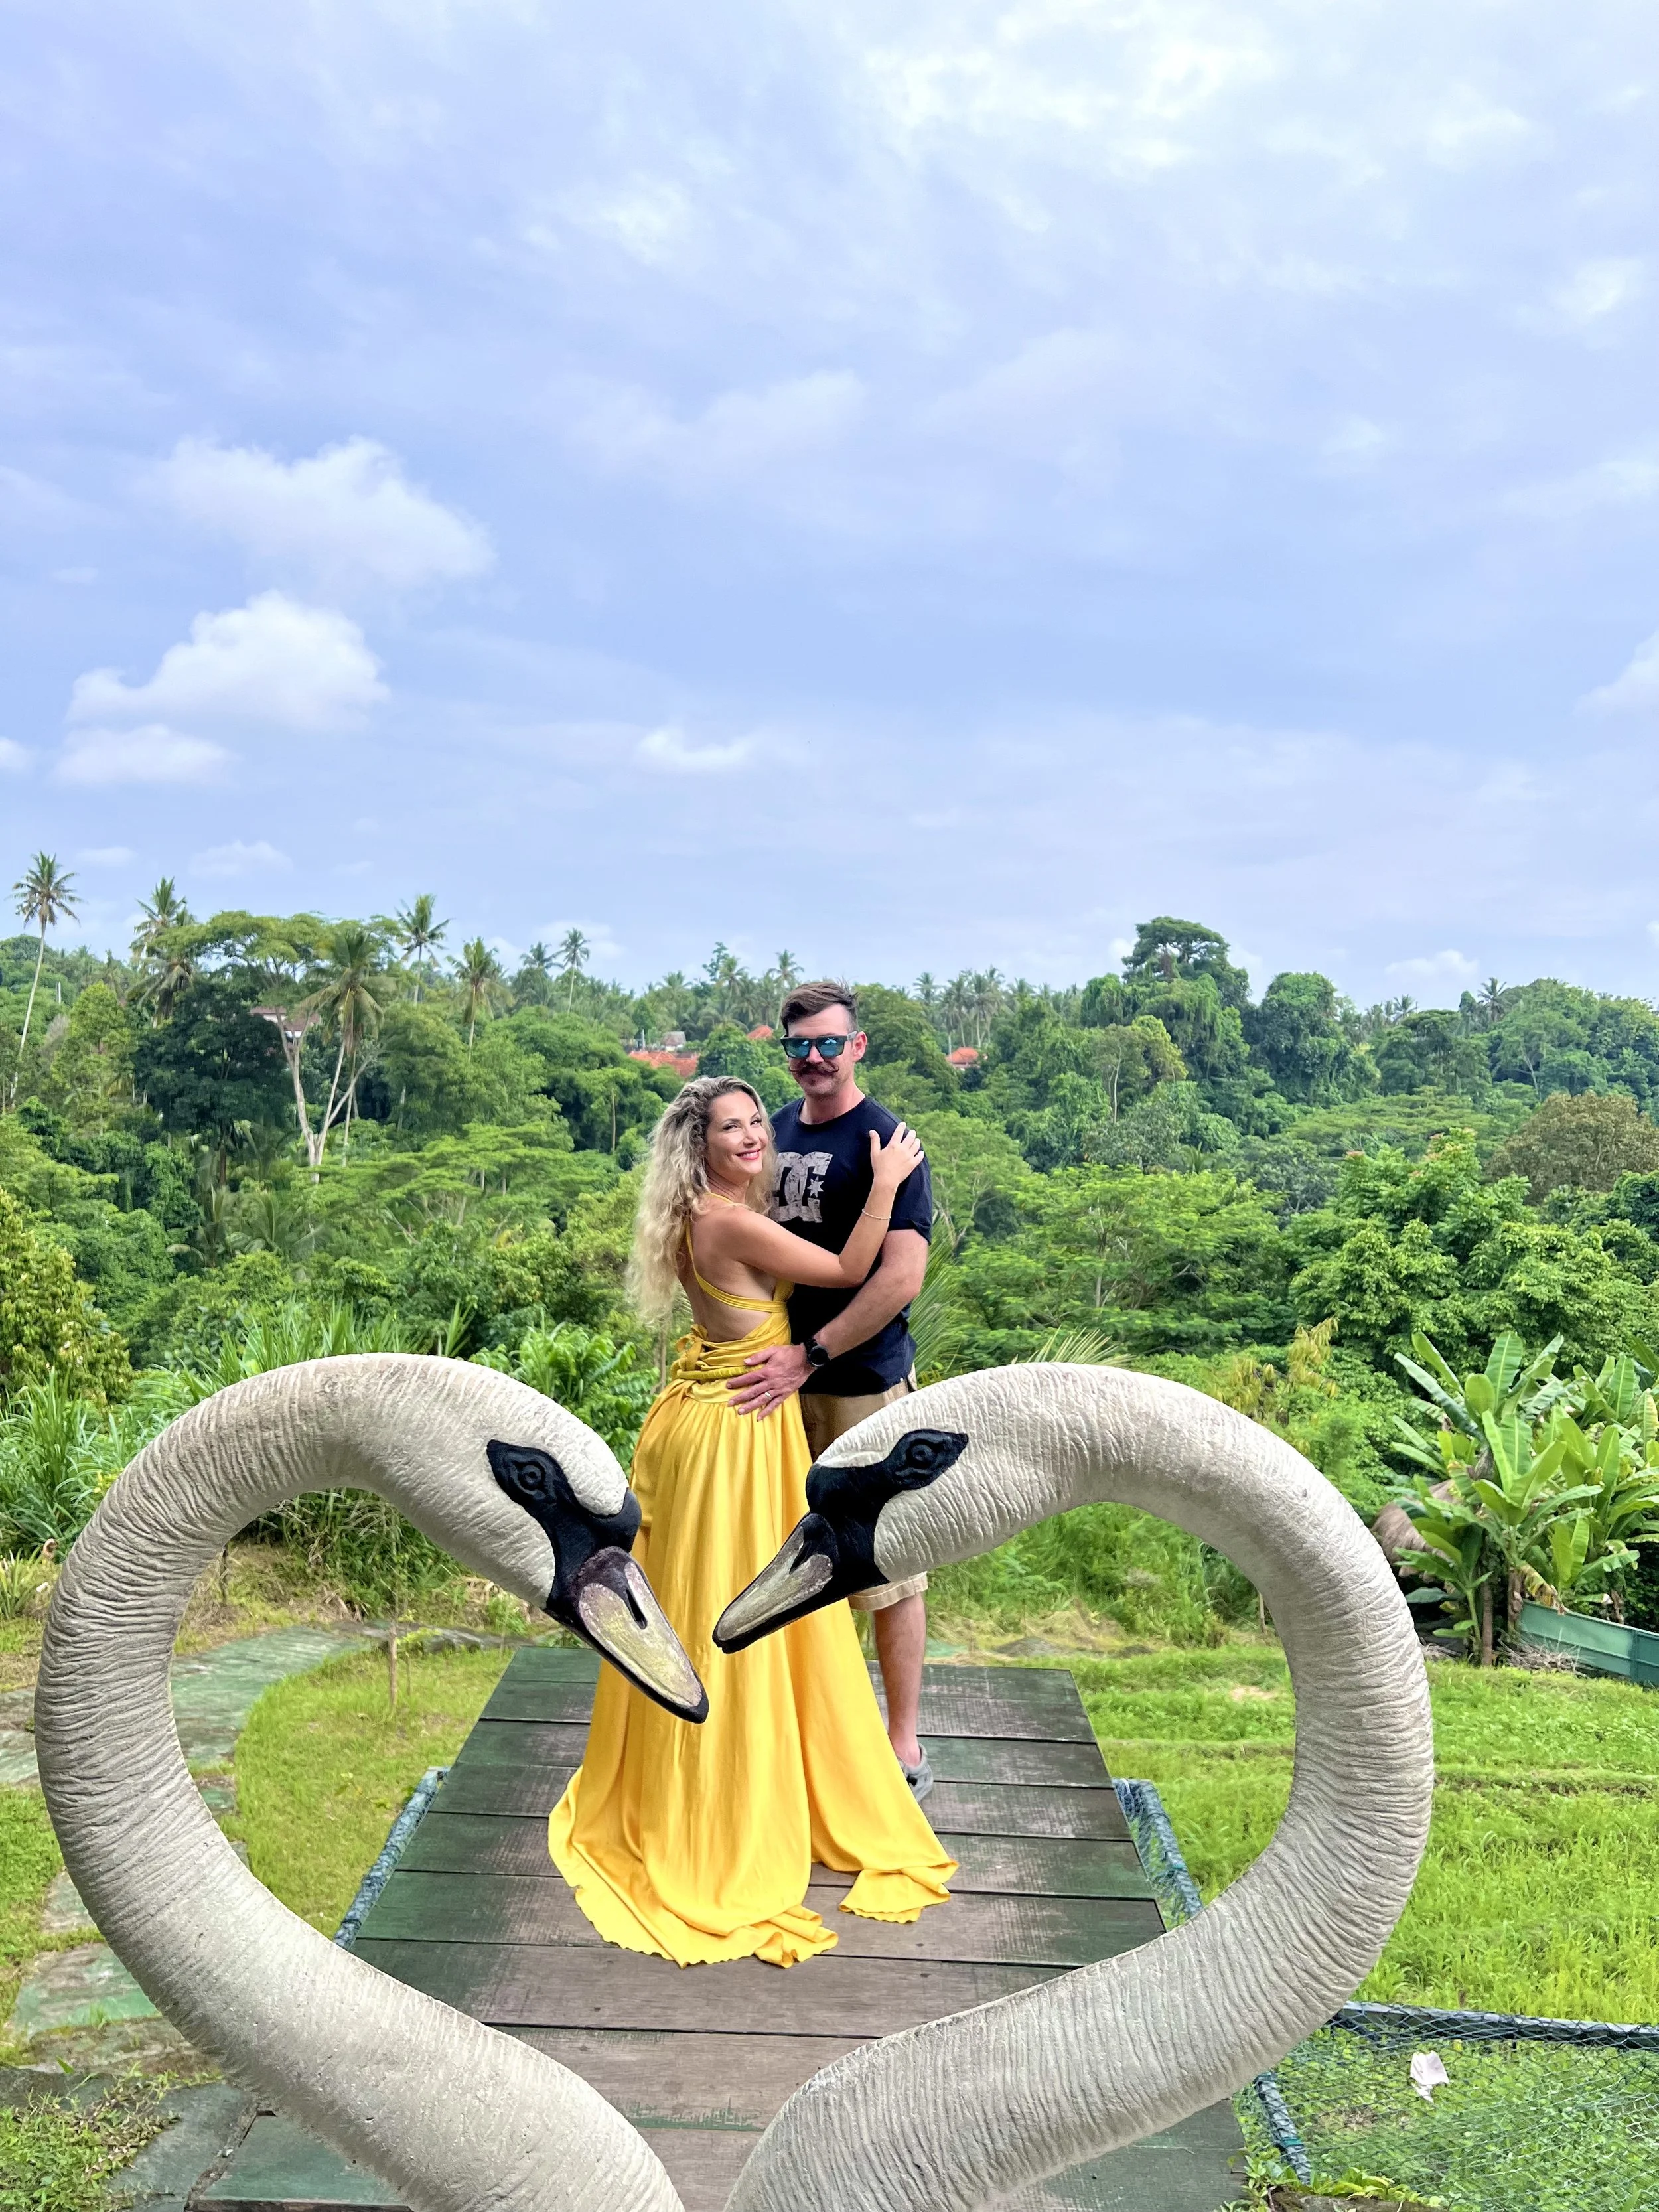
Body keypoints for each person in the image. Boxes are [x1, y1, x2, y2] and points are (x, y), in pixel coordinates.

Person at [548, 1076, 954, 1968]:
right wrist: (885, 1183)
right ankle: (729, 1796)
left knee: (716, 1601)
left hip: (710, 1415)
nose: (750, 1140)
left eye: (751, 1125)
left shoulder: (707, 1215)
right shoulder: (727, 1219)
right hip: (735, 1430)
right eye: (731, 1129)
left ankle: (731, 1778)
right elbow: (850, 1271)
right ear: (698, 1146)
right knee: (733, 1607)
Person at [727, 980, 936, 1797]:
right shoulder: (768, 1135)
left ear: (857, 1046)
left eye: (827, 1043)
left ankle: (901, 1744)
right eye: (797, 1045)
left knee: (888, 1565)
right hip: (775, 1382)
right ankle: (806, 1732)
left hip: (860, 1382)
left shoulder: (889, 1145)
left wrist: (810, 1354)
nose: (812, 1058)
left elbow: (899, 1278)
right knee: (783, 1558)